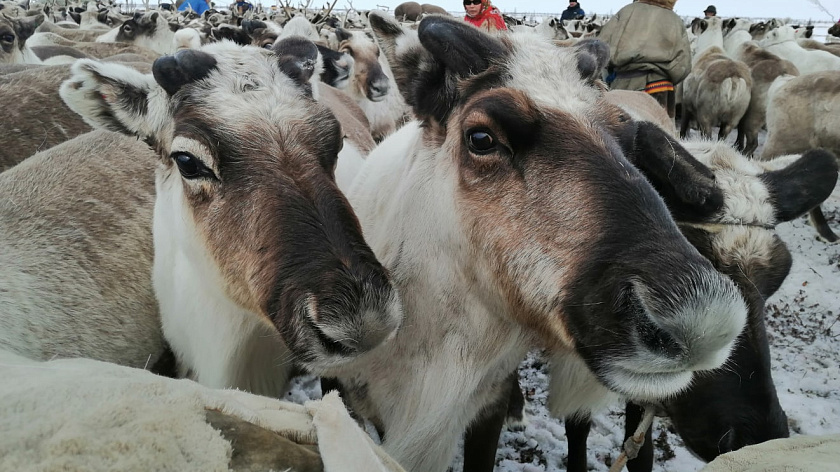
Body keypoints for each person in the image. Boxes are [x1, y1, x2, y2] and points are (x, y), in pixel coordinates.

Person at [597, 0, 691, 118]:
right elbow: (683, 63)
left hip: (626, 83)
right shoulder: (675, 20)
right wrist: (670, 76)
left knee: (620, 129)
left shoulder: (627, 11)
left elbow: (602, 46)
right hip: (661, 86)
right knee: (661, 130)